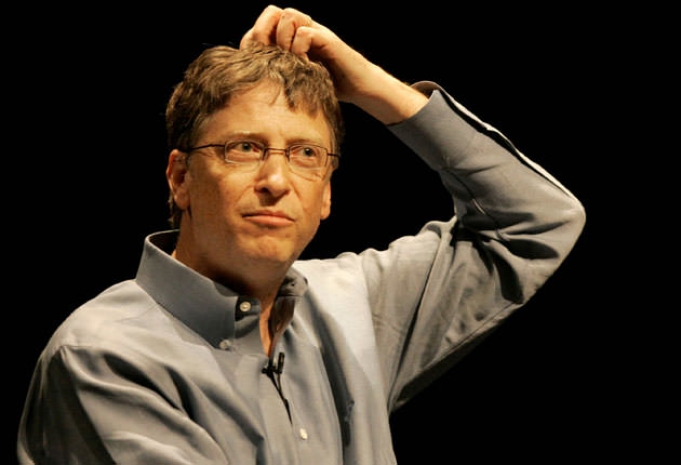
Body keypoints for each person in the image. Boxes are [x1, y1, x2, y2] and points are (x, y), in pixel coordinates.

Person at [17, 5, 586, 464]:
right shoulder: (105, 356)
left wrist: (373, 87)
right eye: (244, 148)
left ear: (327, 193)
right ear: (181, 177)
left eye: (305, 154)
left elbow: (536, 219)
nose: (276, 180)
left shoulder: (353, 305)